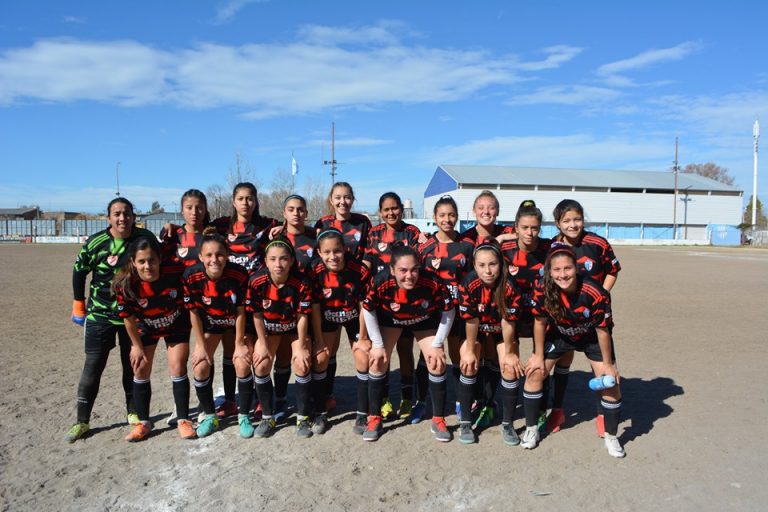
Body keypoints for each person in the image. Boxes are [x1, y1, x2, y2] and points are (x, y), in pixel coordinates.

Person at [66, 197, 157, 443]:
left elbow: (158, 264)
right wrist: (78, 304)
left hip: (133, 316)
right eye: (116, 213)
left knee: (133, 365)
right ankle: (82, 422)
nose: (122, 218)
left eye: (127, 213)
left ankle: (133, 411)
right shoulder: (97, 242)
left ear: (133, 217)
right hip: (100, 315)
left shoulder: (144, 237)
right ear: (109, 218)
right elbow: (79, 271)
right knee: (93, 367)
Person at [522, 244, 625, 458]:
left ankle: (612, 436)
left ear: (576, 268)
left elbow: (603, 331)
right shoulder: (542, 289)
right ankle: (531, 429)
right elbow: (539, 323)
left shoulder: (595, 292)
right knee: (534, 373)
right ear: (549, 271)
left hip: (591, 338)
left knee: (611, 383)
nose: (562, 274)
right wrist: (538, 356)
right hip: (560, 334)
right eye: (557, 270)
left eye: (567, 269)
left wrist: (608, 364)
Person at [361, 244, 455, 442]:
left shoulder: (432, 281)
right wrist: (377, 344)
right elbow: (367, 309)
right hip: (391, 321)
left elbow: (449, 310)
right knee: (377, 360)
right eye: (403, 270)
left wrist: (437, 344)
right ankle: (374, 417)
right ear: (392, 270)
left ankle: (438, 419)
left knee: (437, 361)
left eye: (414, 269)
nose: (409, 276)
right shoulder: (380, 281)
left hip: (423, 321)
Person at [545, 199, 621, 435]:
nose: (573, 224)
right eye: (566, 220)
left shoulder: (597, 243)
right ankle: (557, 410)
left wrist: (601, 296)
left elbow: (613, 270)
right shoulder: (552, 246)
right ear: (558, 223)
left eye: (577, 219)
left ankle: (602, 413)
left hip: (592, 317)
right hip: (563, 318)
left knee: (602, 368)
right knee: (562, 362)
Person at [113, 237, 195, 441]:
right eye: (141, 262)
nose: (147, 266)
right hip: (145, 327)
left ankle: (183, 419)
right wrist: (136, 346)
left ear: (159, 259)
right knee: (140, 367)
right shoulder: (125, 285)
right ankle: (143, 423)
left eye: (151, 260)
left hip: (176, 324)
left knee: (178, 366)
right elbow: (128, 319)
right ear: (133, 262)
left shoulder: (175, 271)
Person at [209, 183, 278, 420]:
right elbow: (196, 229)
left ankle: (259, 399)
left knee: (258, 347)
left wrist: (284, 229)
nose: (245, 203)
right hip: (231, 297)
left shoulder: (268, 224)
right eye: (241, 198)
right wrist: (171, 226)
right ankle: (230, 399)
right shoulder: (221, 225)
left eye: (250, 198)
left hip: (258, 296)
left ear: (256, 201)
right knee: (233, 349)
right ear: (233, 200)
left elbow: (293, 226)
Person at [182, 229, 249, 438]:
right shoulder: (191, 276)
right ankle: (210, 415)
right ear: (201, 256)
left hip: (232, 323)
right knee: (201, 365)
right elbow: (193, 312)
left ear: (227, 254)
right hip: (209, 325)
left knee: (240, 361)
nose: (214, 259)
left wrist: (240, 343)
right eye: (209, 255)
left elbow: (240, 312)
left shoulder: (238, 274)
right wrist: (200, 345)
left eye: (219, 254)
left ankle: (240, 412)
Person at [362, 192, 423, 419]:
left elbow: (422, 259)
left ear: (401, 209)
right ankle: (385, 399)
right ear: (380, 212)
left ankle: (407, 399)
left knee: (405, 350)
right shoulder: (375, 233)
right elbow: (367, 261)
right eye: (386, 210)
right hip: (383, 303)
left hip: (408, 302)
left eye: (395, 208)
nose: (391, 213)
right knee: (383, 353)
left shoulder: (413, 232)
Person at [246, 238, 314, 438]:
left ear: (292, 261)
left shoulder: (301, 282)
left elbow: (303, 316)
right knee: (261, 363)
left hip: (294, 328)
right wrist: (264, 344)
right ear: (265, 261)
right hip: (270, 329)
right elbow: (257, 315)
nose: (278, 264)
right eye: (273, 259)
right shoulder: (256, 281)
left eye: (283, 259)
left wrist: (301, 345)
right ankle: (268, 417)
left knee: (301, 362)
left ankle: (303, 419)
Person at [456, 242, 523, 445]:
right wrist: (469, 350)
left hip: (501, 332)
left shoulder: (510, 286)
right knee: (468, 364)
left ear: (501, 264)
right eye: (482, 265)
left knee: (510, 368)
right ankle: (466, 423)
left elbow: (508, 321)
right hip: (475, 331)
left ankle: (508, 425)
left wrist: (510, 352)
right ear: (474, 266)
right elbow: (471, 321)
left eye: (493, 264)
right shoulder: (468, 284)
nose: (488, 270)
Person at [416, 195, 474, 424]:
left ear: (457, 217)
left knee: (457, 356)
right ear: (434, 217)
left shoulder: (466, 246)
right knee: (427, 356)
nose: (447, 219)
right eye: (442, 215)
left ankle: (461, 401)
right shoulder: (425, 246)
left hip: (459, 311)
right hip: (431, 311)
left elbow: (471, 278)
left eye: (451, 215)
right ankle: (421, 401)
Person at [308, 229, 372, 434]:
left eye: (337, 251)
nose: (332, 256)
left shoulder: (358, 270)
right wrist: (318, 339)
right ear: (319, 252)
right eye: (326, 252)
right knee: (320, 358)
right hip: (327, 317)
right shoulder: (315, 271)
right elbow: (316, 309)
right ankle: (320, 411)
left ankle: (363, 414)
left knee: (363, 357)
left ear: (345, 249)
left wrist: (363, 337)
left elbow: (364, 306)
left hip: (354, 317)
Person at [500, 200, 552, 429]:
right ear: (516, 228)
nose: (530, 233)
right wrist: (500, 239)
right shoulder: (505, 250)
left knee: (539, 364)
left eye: (535, 228)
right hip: (512, 314)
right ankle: (506, 414)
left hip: (541, 315)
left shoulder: (549, 248)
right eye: (525, 228)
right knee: (510, 362)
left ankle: (540, 409)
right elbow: (483, 256)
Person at [314, 182, 372, 263]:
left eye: (347, 197)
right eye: (338, 198)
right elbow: (317, 253)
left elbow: (369, 253)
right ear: (331, 200)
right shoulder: (323, 223)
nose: (342, 202)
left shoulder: (363, 222)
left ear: (352, 199)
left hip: (357, 273)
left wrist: (363, 272)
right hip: (330, 273)